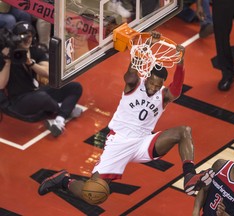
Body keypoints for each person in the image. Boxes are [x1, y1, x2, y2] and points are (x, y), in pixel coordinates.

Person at [38, 32, 215, 204]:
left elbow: (176, 89)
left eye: (158, 85)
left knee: (184, 131)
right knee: (94, 194)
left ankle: (190, 175)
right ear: (147, 78)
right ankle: (63, 181)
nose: (154, 87)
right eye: (152, 82)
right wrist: (147, 46)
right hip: (119, 141)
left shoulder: (164, 95)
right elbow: (132, 71)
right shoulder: (134, 84)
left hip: (143, 142)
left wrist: (180, 63)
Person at [0, 21, 83, 137]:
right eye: (24, 36)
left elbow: (50, 73)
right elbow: (1, 85)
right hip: (18, 101)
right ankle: (63, 109)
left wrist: (31, 63)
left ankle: (59, 120)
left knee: (75, 87)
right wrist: (7, 61)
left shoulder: (36, 50)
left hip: (35, 92)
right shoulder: (7, 55)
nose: (27, 40)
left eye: (29, 36)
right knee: (42, 97)